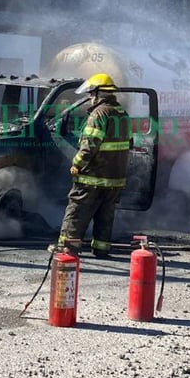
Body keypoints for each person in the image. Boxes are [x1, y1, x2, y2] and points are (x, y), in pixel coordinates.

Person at [54, 73, 132, 258]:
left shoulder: (99, 114)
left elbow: (89, 146)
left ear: (98, 93)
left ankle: (67, 248)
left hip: (93, 176)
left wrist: (77, 164)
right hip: (115, 178)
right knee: (105, 215)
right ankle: (101, 248)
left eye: (91, 93)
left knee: (77, 211)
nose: (89, 97)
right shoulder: (122, 113)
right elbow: (129, 142)